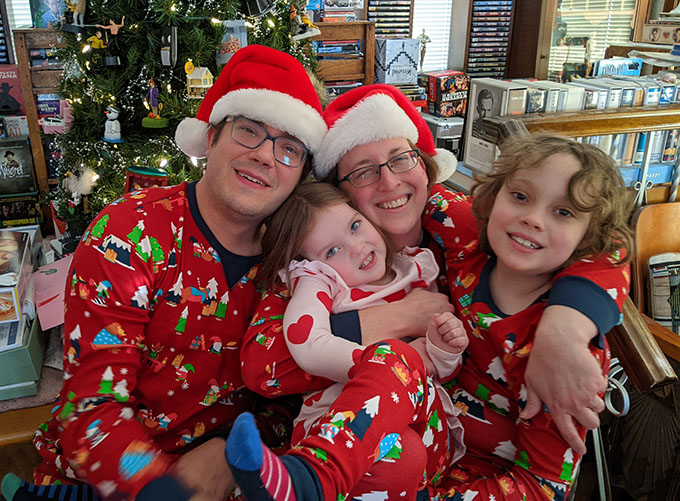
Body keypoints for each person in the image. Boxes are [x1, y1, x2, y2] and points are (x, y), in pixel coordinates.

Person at [239, 84, 630, 499]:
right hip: (394, 449)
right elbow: (266, 366)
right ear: (340, 194)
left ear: (424, 166)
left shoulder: (465, 235)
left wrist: (564, 330)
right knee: (397, 431)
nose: (389, 181)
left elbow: (610, 244)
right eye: (363, 171)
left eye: (400, 159)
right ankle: (312, 477)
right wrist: (401, 316)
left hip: (469, 468)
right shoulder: (317, 252)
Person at [1, 44, 327, 501]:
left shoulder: (301, 261)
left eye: (290, 147)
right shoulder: (128, 235)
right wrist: (169, 487)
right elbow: (92, 412)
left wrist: (229, 458)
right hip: (107, 482)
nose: (266, 156)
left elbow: (292, 397)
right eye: (249, 130)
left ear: (301, 174)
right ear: (210, 138)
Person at [419, 133, 632, 498]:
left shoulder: (567, 361)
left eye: (563, 212)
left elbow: (542, 486)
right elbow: (405, 189)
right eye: (520, 197)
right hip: (419, 438)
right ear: (491, 198)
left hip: (481, 481)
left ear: (585, 238)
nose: (533, 219)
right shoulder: (468, 244)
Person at [230, 181, 468, 499]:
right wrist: (384, 366)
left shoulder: (414, 267)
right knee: (402, 454)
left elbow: (442, 372)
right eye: (332, 250)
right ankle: (314, 476)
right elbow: (307, 343)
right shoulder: (321, 281)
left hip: (431, 435)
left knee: (408, 435)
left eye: (355, 226)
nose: (356, 248)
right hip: (340, 433)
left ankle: (314, 482)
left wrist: (443, 349)